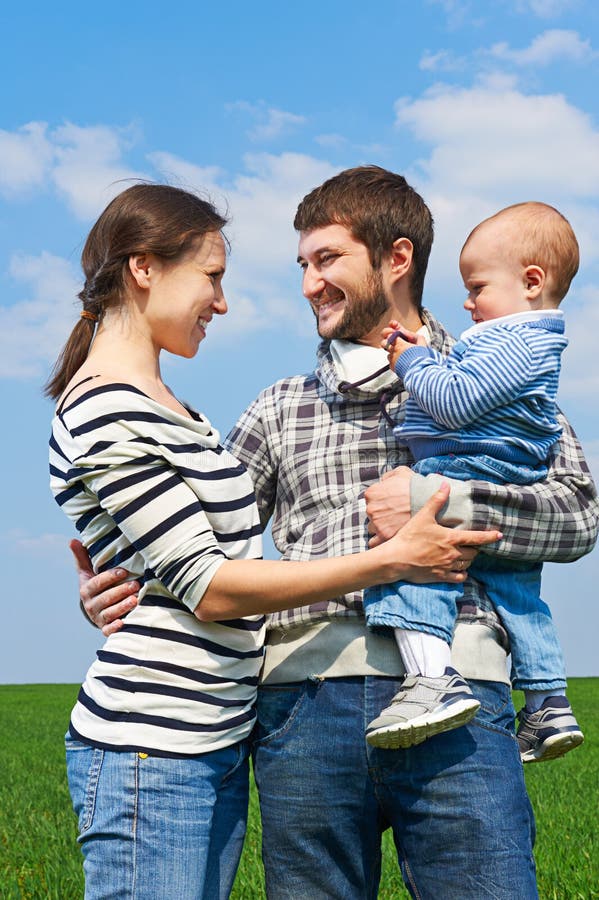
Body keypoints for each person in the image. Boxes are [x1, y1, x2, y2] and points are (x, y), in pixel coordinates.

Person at [75, 168, 599, 900]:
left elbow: (576, 517)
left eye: (326, 261)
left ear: (396, 259)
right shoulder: (278, 407)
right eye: (302, 265)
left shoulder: (499, 373)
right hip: (301, 710)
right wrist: (117, 587)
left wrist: (439, 501)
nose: (308, 284)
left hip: (462, 700)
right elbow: (197, 542)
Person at [363, 202, 585, 762]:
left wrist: (412, 365)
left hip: (468, 468)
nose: (467, 302)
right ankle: (547, 703)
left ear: (531, 282)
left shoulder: (520, 339)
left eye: (478, 286)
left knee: (412, 560)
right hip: (505, 476)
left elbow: (456, 402)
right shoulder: (522, 345)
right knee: (516, 589)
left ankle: (431, 678)